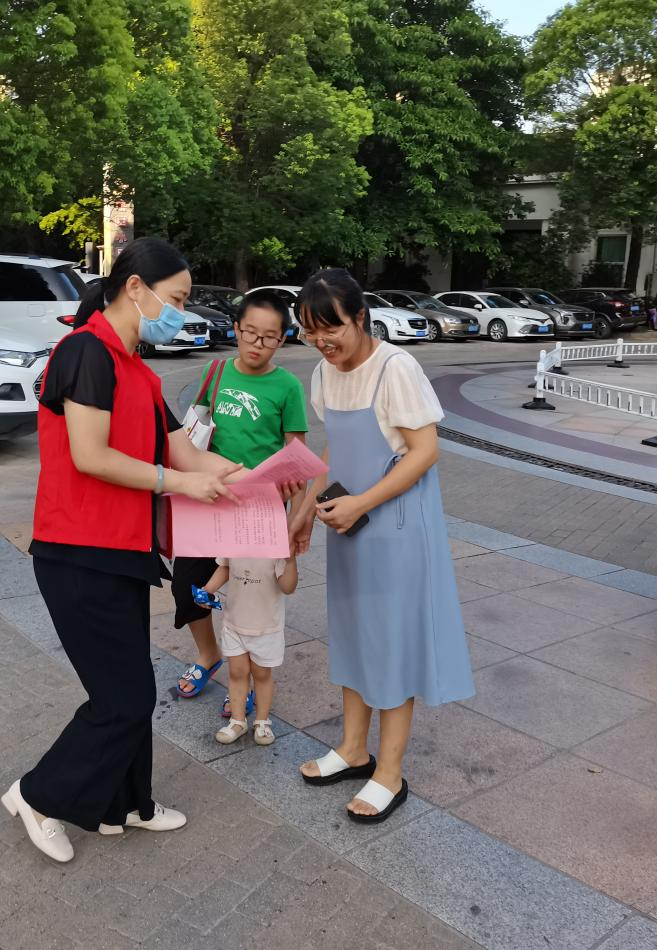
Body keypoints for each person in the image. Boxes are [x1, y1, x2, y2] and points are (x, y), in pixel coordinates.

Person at [0, 237, 250, 864]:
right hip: (76, 551)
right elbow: (91, 455)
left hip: (123, 553)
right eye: (176, 300)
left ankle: (127, 805)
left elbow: (184, 450)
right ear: (135, 287)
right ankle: (38, 795)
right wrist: (180, 484)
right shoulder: (84, 351)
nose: (180, 314)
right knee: (124, 699)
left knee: (132, 689)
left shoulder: (138, 369)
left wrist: (257, 477)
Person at [288, 268, 475, 824]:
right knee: (353, 635)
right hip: (349, 528)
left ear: (360, 317)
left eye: (332, 329)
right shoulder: (325, 371)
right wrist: (305, 510)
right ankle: (352, 748)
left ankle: (389, 773)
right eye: (310, 331)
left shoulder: (396, 368)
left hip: (394, 529)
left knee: (391, 645)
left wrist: (361, 503)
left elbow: (424, 451)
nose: (322, 342)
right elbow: (334, 447)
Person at [172, 291, 308, 711]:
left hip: (259, 509)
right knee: (187, 587)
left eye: (268, 337)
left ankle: (245, 678)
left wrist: (297, 519)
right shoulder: (214, 372)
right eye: (250, 333)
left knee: (251, 598)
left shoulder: (287, 387)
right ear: (236, 329)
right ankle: (209, 655)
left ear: (281, 340)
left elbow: (297, 457)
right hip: (208, 500)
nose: (257, 344)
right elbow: (192, 433)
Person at [200, 553, 299, 746]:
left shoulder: (276, 547)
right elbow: (225, 566)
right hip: (234, 623)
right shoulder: (235, 540)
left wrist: (290, 560)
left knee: (262, 674)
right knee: (237, 672)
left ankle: (262, 721)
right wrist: (208, 590)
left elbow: (288, 587)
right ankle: (237, 721)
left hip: (265, 627)